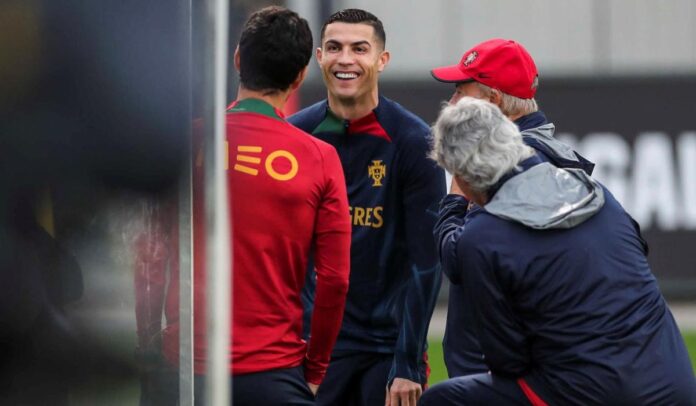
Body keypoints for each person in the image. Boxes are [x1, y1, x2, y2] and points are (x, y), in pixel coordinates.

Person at [420, 97, 696, 405]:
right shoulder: (594, 191)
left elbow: (507, 361)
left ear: (462, 176)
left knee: (442, 399)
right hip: (676, 386)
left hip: (595, 395)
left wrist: (453, 205)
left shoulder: (481, 238)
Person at [289, 9, 445, 406]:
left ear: (381, 59)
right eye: (335, 48)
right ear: (319, 57)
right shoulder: (295, 137)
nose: (346, 59)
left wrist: (408, 361)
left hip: (387, 350)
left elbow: (426, 262)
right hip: (313, 349)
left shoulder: (413, 141)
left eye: (360, 49)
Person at [429, 38, 595, 378]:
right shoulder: (547, 153)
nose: (453, 101)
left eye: (463, 91)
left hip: (501, 374)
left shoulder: (515, 163)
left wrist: (458, 191)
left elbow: (457, 257)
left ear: (493, 101)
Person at [225, 6, 351, 405]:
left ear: (238, 60)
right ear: (299, 77)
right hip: (272, 373)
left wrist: (149, 348)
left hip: (186, 367)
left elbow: (151, 251)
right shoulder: (319, 157)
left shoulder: (188, 142)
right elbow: (334, 279)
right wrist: (315, 370)